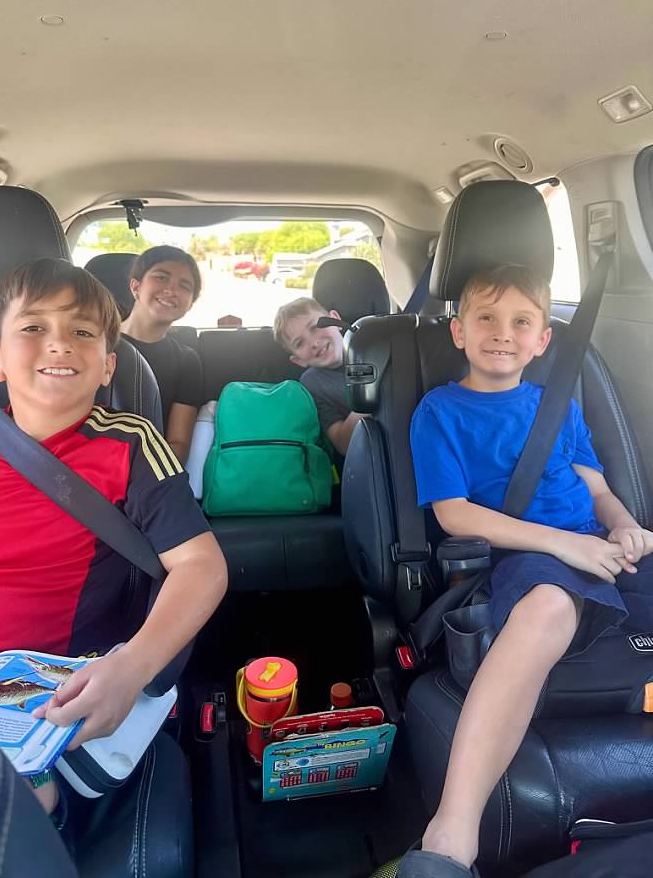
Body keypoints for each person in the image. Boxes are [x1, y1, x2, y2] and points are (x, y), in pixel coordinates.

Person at [0, 258, 227, 826]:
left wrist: (132, 666)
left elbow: (201, 566)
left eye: (83, 332)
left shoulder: (130, 444)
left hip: (46, 682)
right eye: (33, 327)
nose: (60, 343)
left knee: (4, 804)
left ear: (108, 365)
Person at [407, 263, 653, 875]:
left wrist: (625, 526)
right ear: (458, 331)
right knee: (547, 606)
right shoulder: (439, 410)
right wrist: (565, 547)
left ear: (543, 339)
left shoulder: (557, 405)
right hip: (522, 554)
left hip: (594, 544)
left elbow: (596, 489)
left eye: (521, 322)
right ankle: (452, 832)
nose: (502, 333)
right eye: (486, 318)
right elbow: (454, 514)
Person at [120, 246, 203, 463]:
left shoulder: (186, 361)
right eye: (161, 277)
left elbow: (178, 445)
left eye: (184, 286)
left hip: (148, 471)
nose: (172, 290)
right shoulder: (94, 343)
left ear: (190, 304)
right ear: (136, 286)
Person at [274, 297, 365, 459]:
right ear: (298, 360)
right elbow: (342, 443)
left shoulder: (372, 344)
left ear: (335, 320)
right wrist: (371, 392)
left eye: (315, 327)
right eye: (299, 343)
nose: (314, 343)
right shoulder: (313, 384)